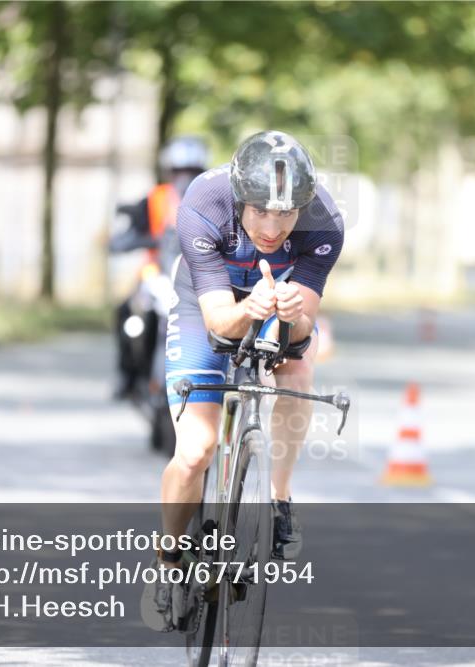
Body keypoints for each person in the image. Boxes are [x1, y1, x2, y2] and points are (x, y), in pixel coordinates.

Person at [140, 130, 345, 631]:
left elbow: (303, 328)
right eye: (259, 212)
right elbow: (217, 321)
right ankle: (167, 561)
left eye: (286, 214)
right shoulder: (204, 203)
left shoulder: (325, 221)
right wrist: (248, 308)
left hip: (276, 300)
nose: (273, 228)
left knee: (299, 365)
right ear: (239, 199)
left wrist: (294, 315)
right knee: (196, 450)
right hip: (206, 304)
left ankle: (279, 499)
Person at [111, 136, 209, 399]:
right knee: (126, 311)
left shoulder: (210, 198)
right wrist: (135, 240)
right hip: (157, 273)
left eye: (192, 171)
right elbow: (130, 231)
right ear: (169, 172)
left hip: (196, 273)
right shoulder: (156, 198)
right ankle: (127, 375)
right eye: (179, 171)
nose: (185, 177)